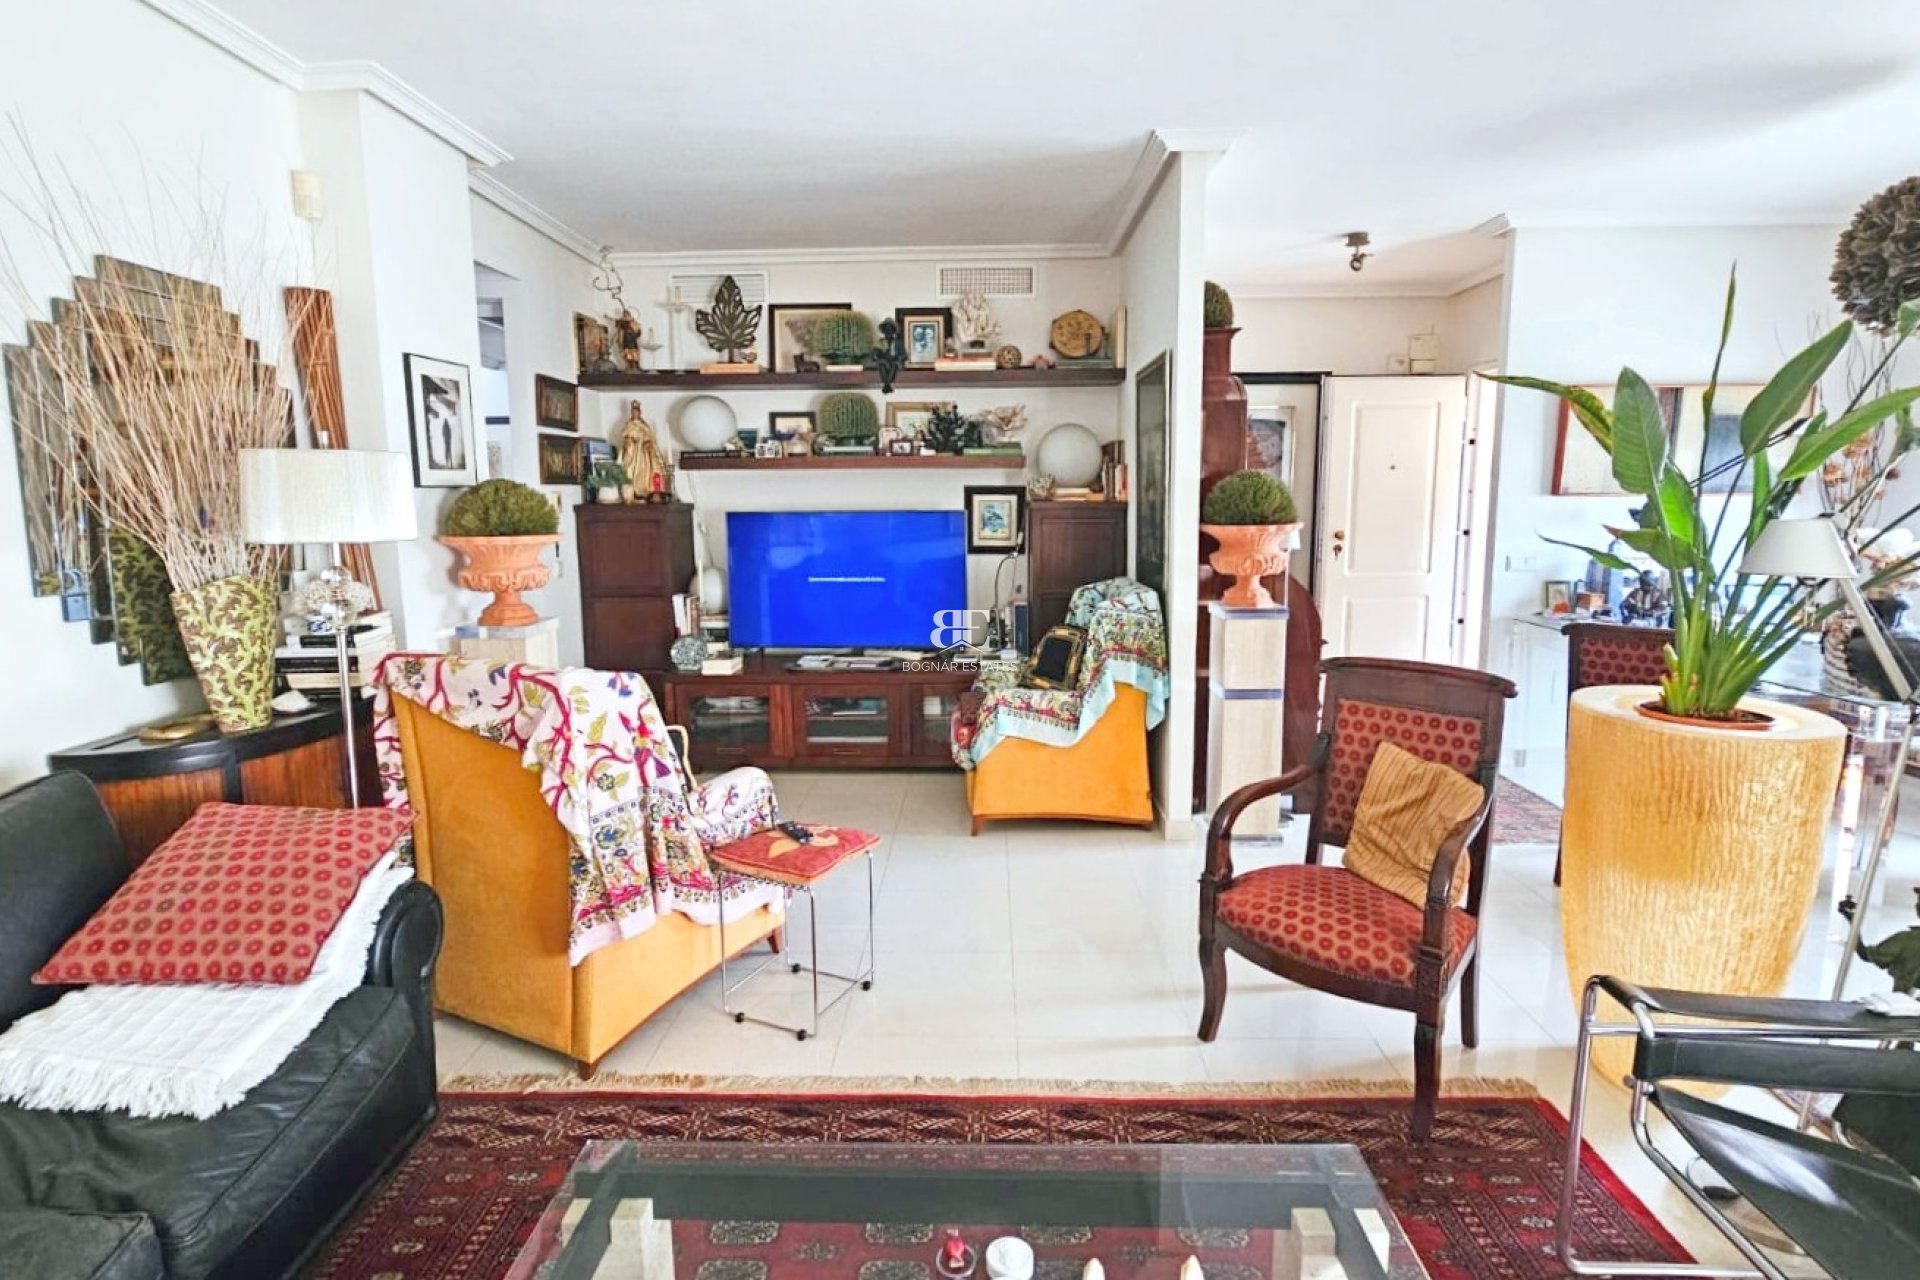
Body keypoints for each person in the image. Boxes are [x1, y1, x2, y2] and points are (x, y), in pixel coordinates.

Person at [617, 400, 668, 500]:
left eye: (636, 412)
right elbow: (624, 439)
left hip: (642, 454)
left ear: (640, 413)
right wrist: (629, 442)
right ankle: (631, 491)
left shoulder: (644, 426)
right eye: (633, 412)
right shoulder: (628, 425)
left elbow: (650, 438)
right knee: (629, 471)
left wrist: (647, 443)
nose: (635, 414)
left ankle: (643, 490)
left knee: (644, 471)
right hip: (631, 453)